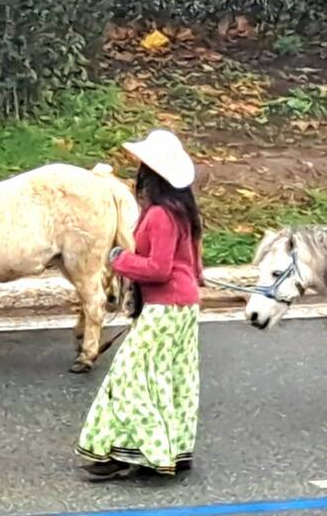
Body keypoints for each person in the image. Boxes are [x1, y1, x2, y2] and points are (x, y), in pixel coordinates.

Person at [76, 129, 204, 480]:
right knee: (172, 378)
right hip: (184, 306)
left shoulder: (161, 215)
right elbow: (193, 265)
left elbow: (159, 269)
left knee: (131, 378)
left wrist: (119, 259)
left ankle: (130, 450)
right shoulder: (185, 211)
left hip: (164, 307)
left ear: (150, 175)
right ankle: (171, 448)